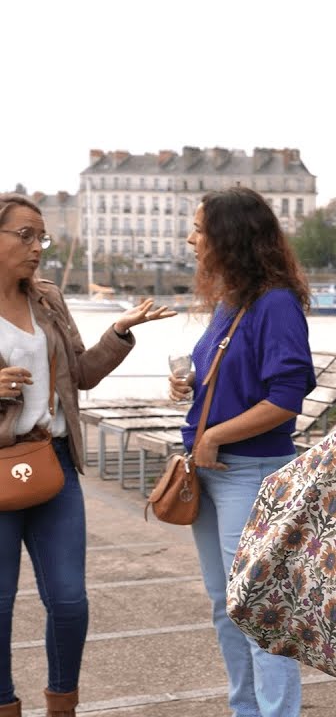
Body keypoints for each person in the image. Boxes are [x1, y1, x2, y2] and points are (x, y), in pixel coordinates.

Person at [0, 193, 174, 717]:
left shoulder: (48, 298)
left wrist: (118, 333)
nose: (37, 247)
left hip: (52, 461)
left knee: (71, 602)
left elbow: (80, 374)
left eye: (42, 237)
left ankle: (62, 706)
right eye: (25, 235)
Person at [168, 187, 315, 717]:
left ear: (230, 237)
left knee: (256, 612)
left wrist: (214, 435)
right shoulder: (233, 303)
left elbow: (286, 399)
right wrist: (192, 386)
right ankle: (245, 711)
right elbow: (236, 378)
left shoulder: (275, 304)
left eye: (200, 229)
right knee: (223, 607)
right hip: (214, 475)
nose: (191, 238)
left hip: (248, 473)